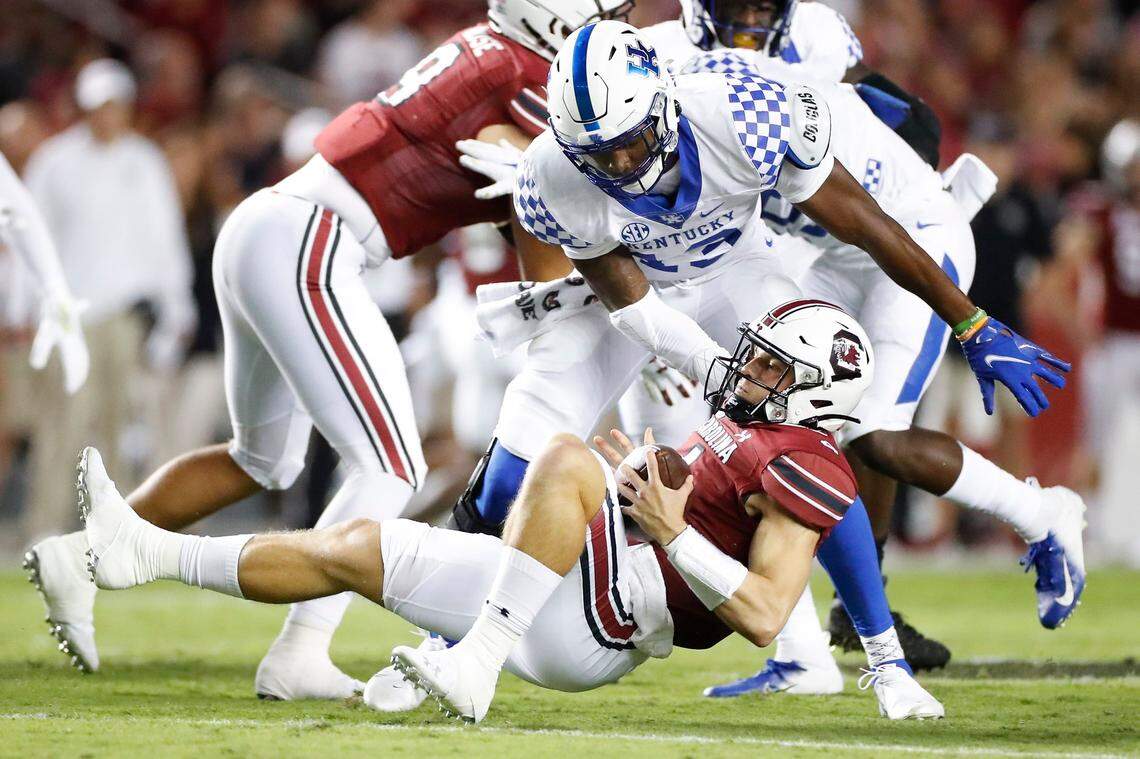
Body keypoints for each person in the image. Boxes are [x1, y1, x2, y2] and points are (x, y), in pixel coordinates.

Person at [24, 0, 632, 701]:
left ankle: (79, 555)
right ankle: (300, 652)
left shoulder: (488, 50)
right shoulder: (524, 72)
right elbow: (546, 206)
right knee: (392, 465)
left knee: (264, 458)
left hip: (273, 226)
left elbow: (521, 192)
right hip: (314, 242)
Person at [76, 302, 945, 722]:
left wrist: (668, 527)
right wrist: (642, 494)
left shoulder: (809, 462)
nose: (748, 376)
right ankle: (142, 551)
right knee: (353, 545)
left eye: (771, 371)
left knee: (565, 451)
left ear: (817, 391)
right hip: (574, 588)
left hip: (605, 626)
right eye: (754, 361)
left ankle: (475, 661)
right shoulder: (753, 424)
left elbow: (761, 614)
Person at [641, 48, 1087, 693]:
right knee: (774, 415)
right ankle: (809, 651)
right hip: (839, 254)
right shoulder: (688, 110)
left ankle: (1042, 513)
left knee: (872, 433)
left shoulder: (756, 116)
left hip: (908, 241)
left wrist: (971, 322)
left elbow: (875, 227)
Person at [19, 58, 196, 549]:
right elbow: (32, 238)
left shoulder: (144, 161)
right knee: (63, 423)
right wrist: (30, 309)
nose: (108, 116)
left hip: (124, 313)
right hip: (69, 314)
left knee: (119, 422)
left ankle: (112, 528)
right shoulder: (55, 161)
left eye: (115, 106)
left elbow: (164, 238)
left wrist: (177, 305)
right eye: (99, 106)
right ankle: (43, 525)